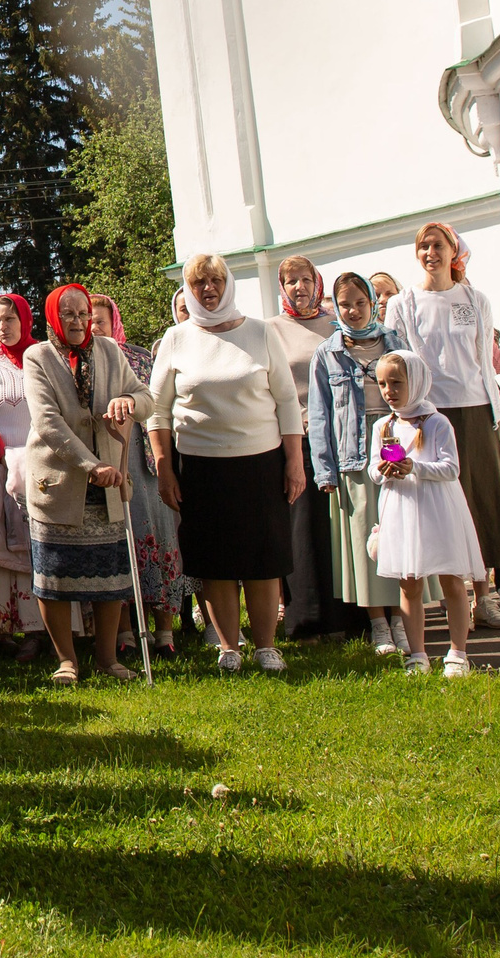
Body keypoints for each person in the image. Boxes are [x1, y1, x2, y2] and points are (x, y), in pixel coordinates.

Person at [146, 255, 305, 675]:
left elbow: (287, 401)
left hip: (262, 464)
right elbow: (157, 412)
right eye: (199, 283)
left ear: (228, 283)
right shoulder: (176, 338)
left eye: (216, 280)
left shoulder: (261, 332)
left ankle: (266, 647)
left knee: (263, 558)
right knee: (215, 561)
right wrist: (164, 466)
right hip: (201, 467)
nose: (208, 288)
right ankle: (229, 648)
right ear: (189, 289)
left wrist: (294, 461)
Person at [383, 222, 500, 631]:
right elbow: (400, 360)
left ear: (453, 250)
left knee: (482, 501)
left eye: (437, 246)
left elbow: (481, 359)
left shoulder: (474, 300)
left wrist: (494, 412)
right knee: (442, 506)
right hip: (430, 414)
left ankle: (485, 597)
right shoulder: (404, 303)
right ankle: (452, 595)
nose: (430, 254)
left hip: (475, 409)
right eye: (423, 247)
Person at [23, 284, 150, 684]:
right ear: (52, 319)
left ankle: (108, 658)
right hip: (59, 481)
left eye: (84, 315)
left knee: (110, 574)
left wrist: (128, 401)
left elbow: (148, 398)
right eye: (69, 315)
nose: (78, 322)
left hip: (109, 481)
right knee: (55, 574)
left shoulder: (110, 351)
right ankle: (67, 660)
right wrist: (89, 465)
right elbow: (47, 420)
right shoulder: (37, 356)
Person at [308, 274, 406, 656]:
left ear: (372, 304)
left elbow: (414, 392)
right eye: (345, 304)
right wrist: (325, 469)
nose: (353, 311)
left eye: (360, 303)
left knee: (399, 532)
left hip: (393, 445)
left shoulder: (394, 342)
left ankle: (402, 619)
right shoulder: (328, 352)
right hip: (354, 454)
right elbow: (319, 414)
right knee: (367, 541)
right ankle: (378, 624)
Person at [369, 350, 482, 677]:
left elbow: (451, 468)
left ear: (416, 382)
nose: (389, 390)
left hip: (436, 508)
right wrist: (384, 470)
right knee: (409, 583)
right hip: (402, 510)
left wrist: (413, 467)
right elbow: (373, 472)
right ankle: (417, 655)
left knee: (451, 580)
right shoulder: (383, 425)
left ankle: (458, 654)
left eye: (396, 382)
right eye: (382, 384)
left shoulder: (436, 422)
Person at [95, 293, 189, 657]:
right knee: (117, 543)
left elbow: (157, 405)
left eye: (101, 320)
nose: (94, 328)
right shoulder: (83, 362)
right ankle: (127, 632)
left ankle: (164, 632)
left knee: (158, 536)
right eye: (89, 321)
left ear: (114, 321)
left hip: (145, 459)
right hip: (109, 458)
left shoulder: (139, 356)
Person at [0, 293, 46, 657]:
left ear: (25, 319)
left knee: (42, 544)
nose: (2, 327)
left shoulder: (43, 355)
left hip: (43, 461)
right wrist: (7, 454)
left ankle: (50, 628)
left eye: (10, 319)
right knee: (6, 546)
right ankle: (12, 627)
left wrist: (36, 454)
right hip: (3, 467)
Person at [267, 256, 339, 637]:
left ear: (317, 282)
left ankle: (355, 616)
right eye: (291, 280)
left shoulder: (336, 324)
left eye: (305, 279)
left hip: (340, 438)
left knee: (340, 528)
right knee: (306, 530)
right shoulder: (271, 330)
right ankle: (309, 619)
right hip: (299, 438)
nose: (299, 287)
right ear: (282, 287)